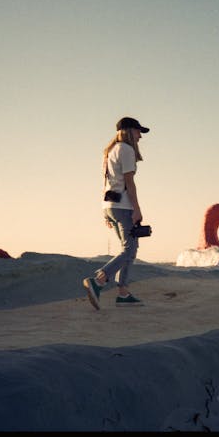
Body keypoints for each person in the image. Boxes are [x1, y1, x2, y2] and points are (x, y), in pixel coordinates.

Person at [83, 117, 149, 310]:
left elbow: (107, 183)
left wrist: (106, 212)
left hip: (110, 205)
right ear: (129, 131)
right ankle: (99, 280)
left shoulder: (110, 151)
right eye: (138, 132)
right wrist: (137, 208)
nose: (140, 137)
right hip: (123, 206)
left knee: (130, 249)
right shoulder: (126, 150)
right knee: (129, 249)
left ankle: (123, 293)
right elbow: (129, 182)